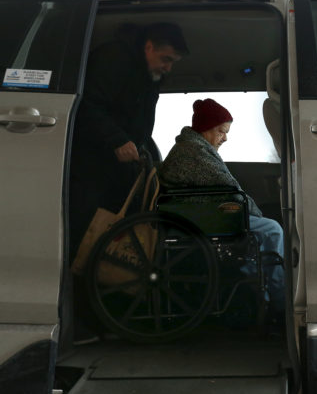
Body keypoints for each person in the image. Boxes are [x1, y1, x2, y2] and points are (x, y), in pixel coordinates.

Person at [67, 22, 189, 345]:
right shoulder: (114, 60)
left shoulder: (149, 76)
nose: (167, 67)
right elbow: (87, 105)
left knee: (107, 245)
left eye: (173, 62)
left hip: (115, 170)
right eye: (165, 59)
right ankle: (77, 322)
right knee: (86, 245)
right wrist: (117, 140)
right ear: (148, 47)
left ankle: (103, 320)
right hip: (92, 168)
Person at [158, 98, 285, 322]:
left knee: (262, 229)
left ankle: (259, 292)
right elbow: (230, 188)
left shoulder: (193, 147)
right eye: (221, 131)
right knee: (272, 229)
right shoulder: (194, 151)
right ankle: (280, 301)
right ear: (206, 127)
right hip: (201, 218)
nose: (225, 138)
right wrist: (255, 213)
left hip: (199, 213)